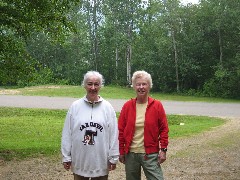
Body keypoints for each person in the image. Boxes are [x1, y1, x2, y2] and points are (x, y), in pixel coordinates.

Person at [61, 71, 119, 180]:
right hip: (80, 162)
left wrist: (113, 157)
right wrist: (66, 156)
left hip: (100, 163)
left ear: (101, 86)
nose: (93, 87)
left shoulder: (108, 108)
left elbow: (114, 134)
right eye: (89, 84)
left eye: (96, 84)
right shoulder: (75, 107)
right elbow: (67, 133)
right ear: (84, 85)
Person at [118, 70, 169, 180]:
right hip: (131, 154)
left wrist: (163, 150)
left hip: (150, 154)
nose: (141, 87)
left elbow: (164, 129)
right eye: (138, 84)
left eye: (144, 84)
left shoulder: (157, 105)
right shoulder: (127, 106)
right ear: (134, 86)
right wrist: (121, 151)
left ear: (149, 86)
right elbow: (121, 131)